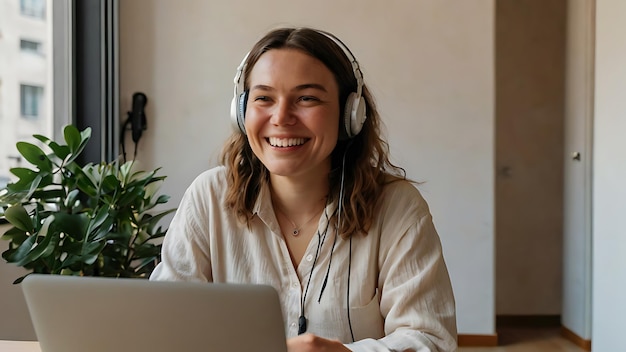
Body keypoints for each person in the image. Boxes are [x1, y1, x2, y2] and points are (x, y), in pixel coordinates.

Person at [150, 27, 457, 351]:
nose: (281, 117)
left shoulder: (397, 206)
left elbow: (429, 338)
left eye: (307, 98)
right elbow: (164, 327)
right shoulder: (208, 197)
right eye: (264, 98)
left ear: (350, 114)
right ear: (241, 113)